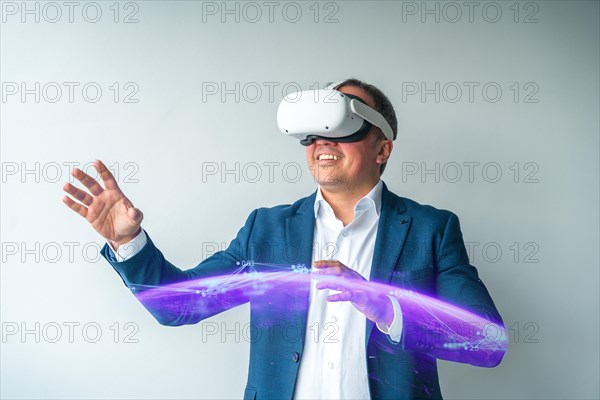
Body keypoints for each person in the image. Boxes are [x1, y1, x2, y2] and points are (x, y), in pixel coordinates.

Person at [63, 78, 506, 399]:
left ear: (382, 148)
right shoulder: (267, 231)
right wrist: (130, 241)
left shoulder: (432, 229)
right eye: (312, 134)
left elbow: (487, 343)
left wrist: (385, 305)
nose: (321, 142)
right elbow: (178, 304)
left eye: (342, 128)